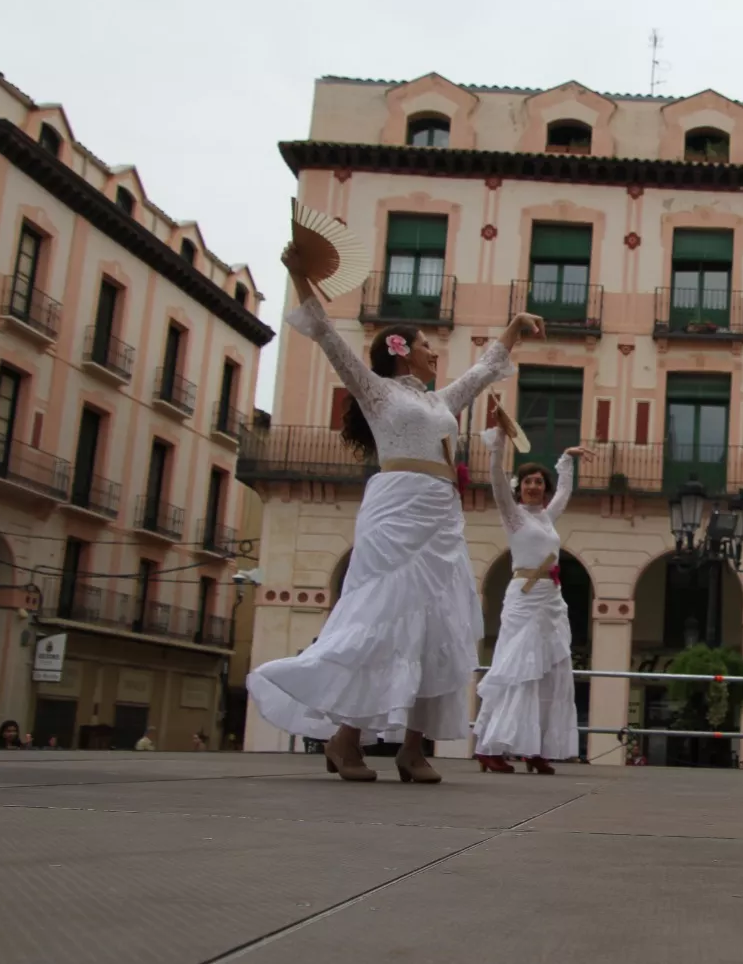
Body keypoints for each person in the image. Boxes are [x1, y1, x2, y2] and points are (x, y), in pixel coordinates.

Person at [248, 246, 543, 785]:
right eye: (429, 346)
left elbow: (483, 372)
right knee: (381, 619)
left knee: (439, 623)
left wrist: (514, 327)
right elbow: (327, 334)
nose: (437, 354)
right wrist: (296, 271)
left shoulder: (440, 402)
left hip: (440, 516)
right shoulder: (377, 392)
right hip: (396, 509)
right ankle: (344, 739)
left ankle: (413, 747)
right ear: (403, 351)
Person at [472, 418, 591, 775]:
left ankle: (534, 748)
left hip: (551, 601)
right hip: (523, 598)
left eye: (540, 482)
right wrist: (498, 445)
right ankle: (490, 746)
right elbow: (495, 480)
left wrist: (566, 460)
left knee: (549, 672)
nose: (535, 487)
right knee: (516, 669)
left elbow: (565, 494)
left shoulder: (547, 518)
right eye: (528, 482)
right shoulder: (515, 517)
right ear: (519, 488)